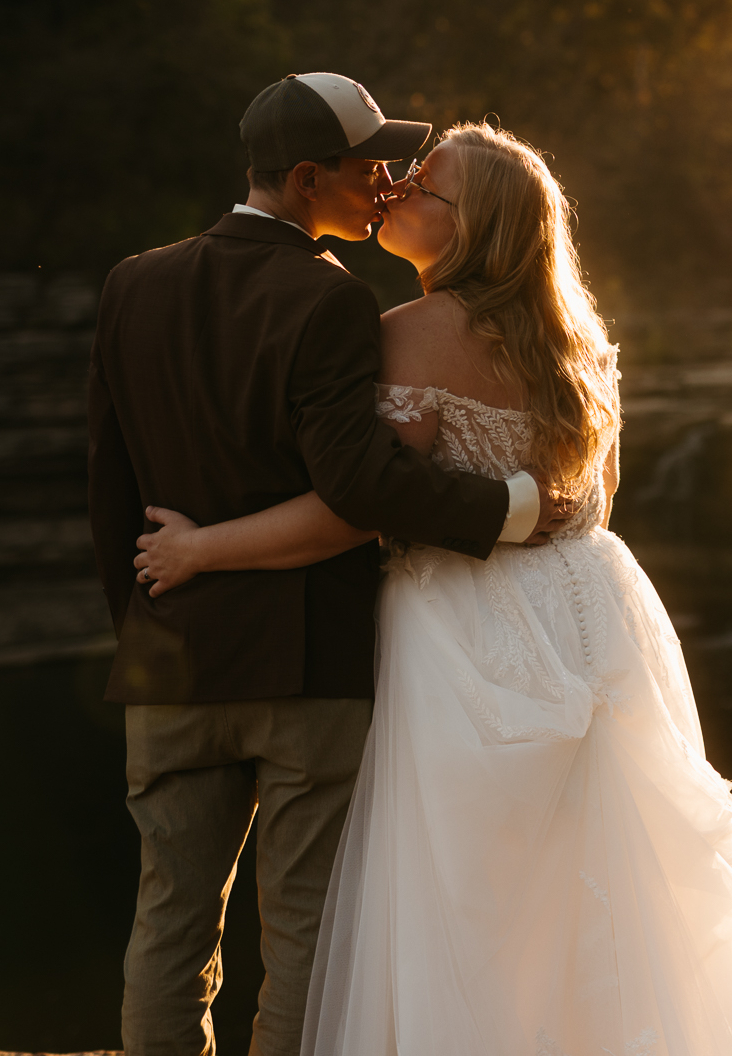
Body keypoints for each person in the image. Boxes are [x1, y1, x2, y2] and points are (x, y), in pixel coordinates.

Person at [131, 122, 732, 1056]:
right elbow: (591, 503)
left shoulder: (406, 334)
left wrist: (205, 548)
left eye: (423, 184)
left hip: (460, 624)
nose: (396, 187)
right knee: (595, 878)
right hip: (590, 611)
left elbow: (357, 506)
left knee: (468, 897)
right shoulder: (580, 340)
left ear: (470, 225)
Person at [87, 74, 573, 1056]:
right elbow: (363, 485)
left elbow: (111, 488)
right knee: (303, 925)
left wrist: (146, 626)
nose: (386, 183)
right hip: (306, 664)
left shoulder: (132, 281)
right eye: (368, 166)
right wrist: (513, 509)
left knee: (168, 924)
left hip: (170, 659)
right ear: (308, 178)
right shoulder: (329, 300)